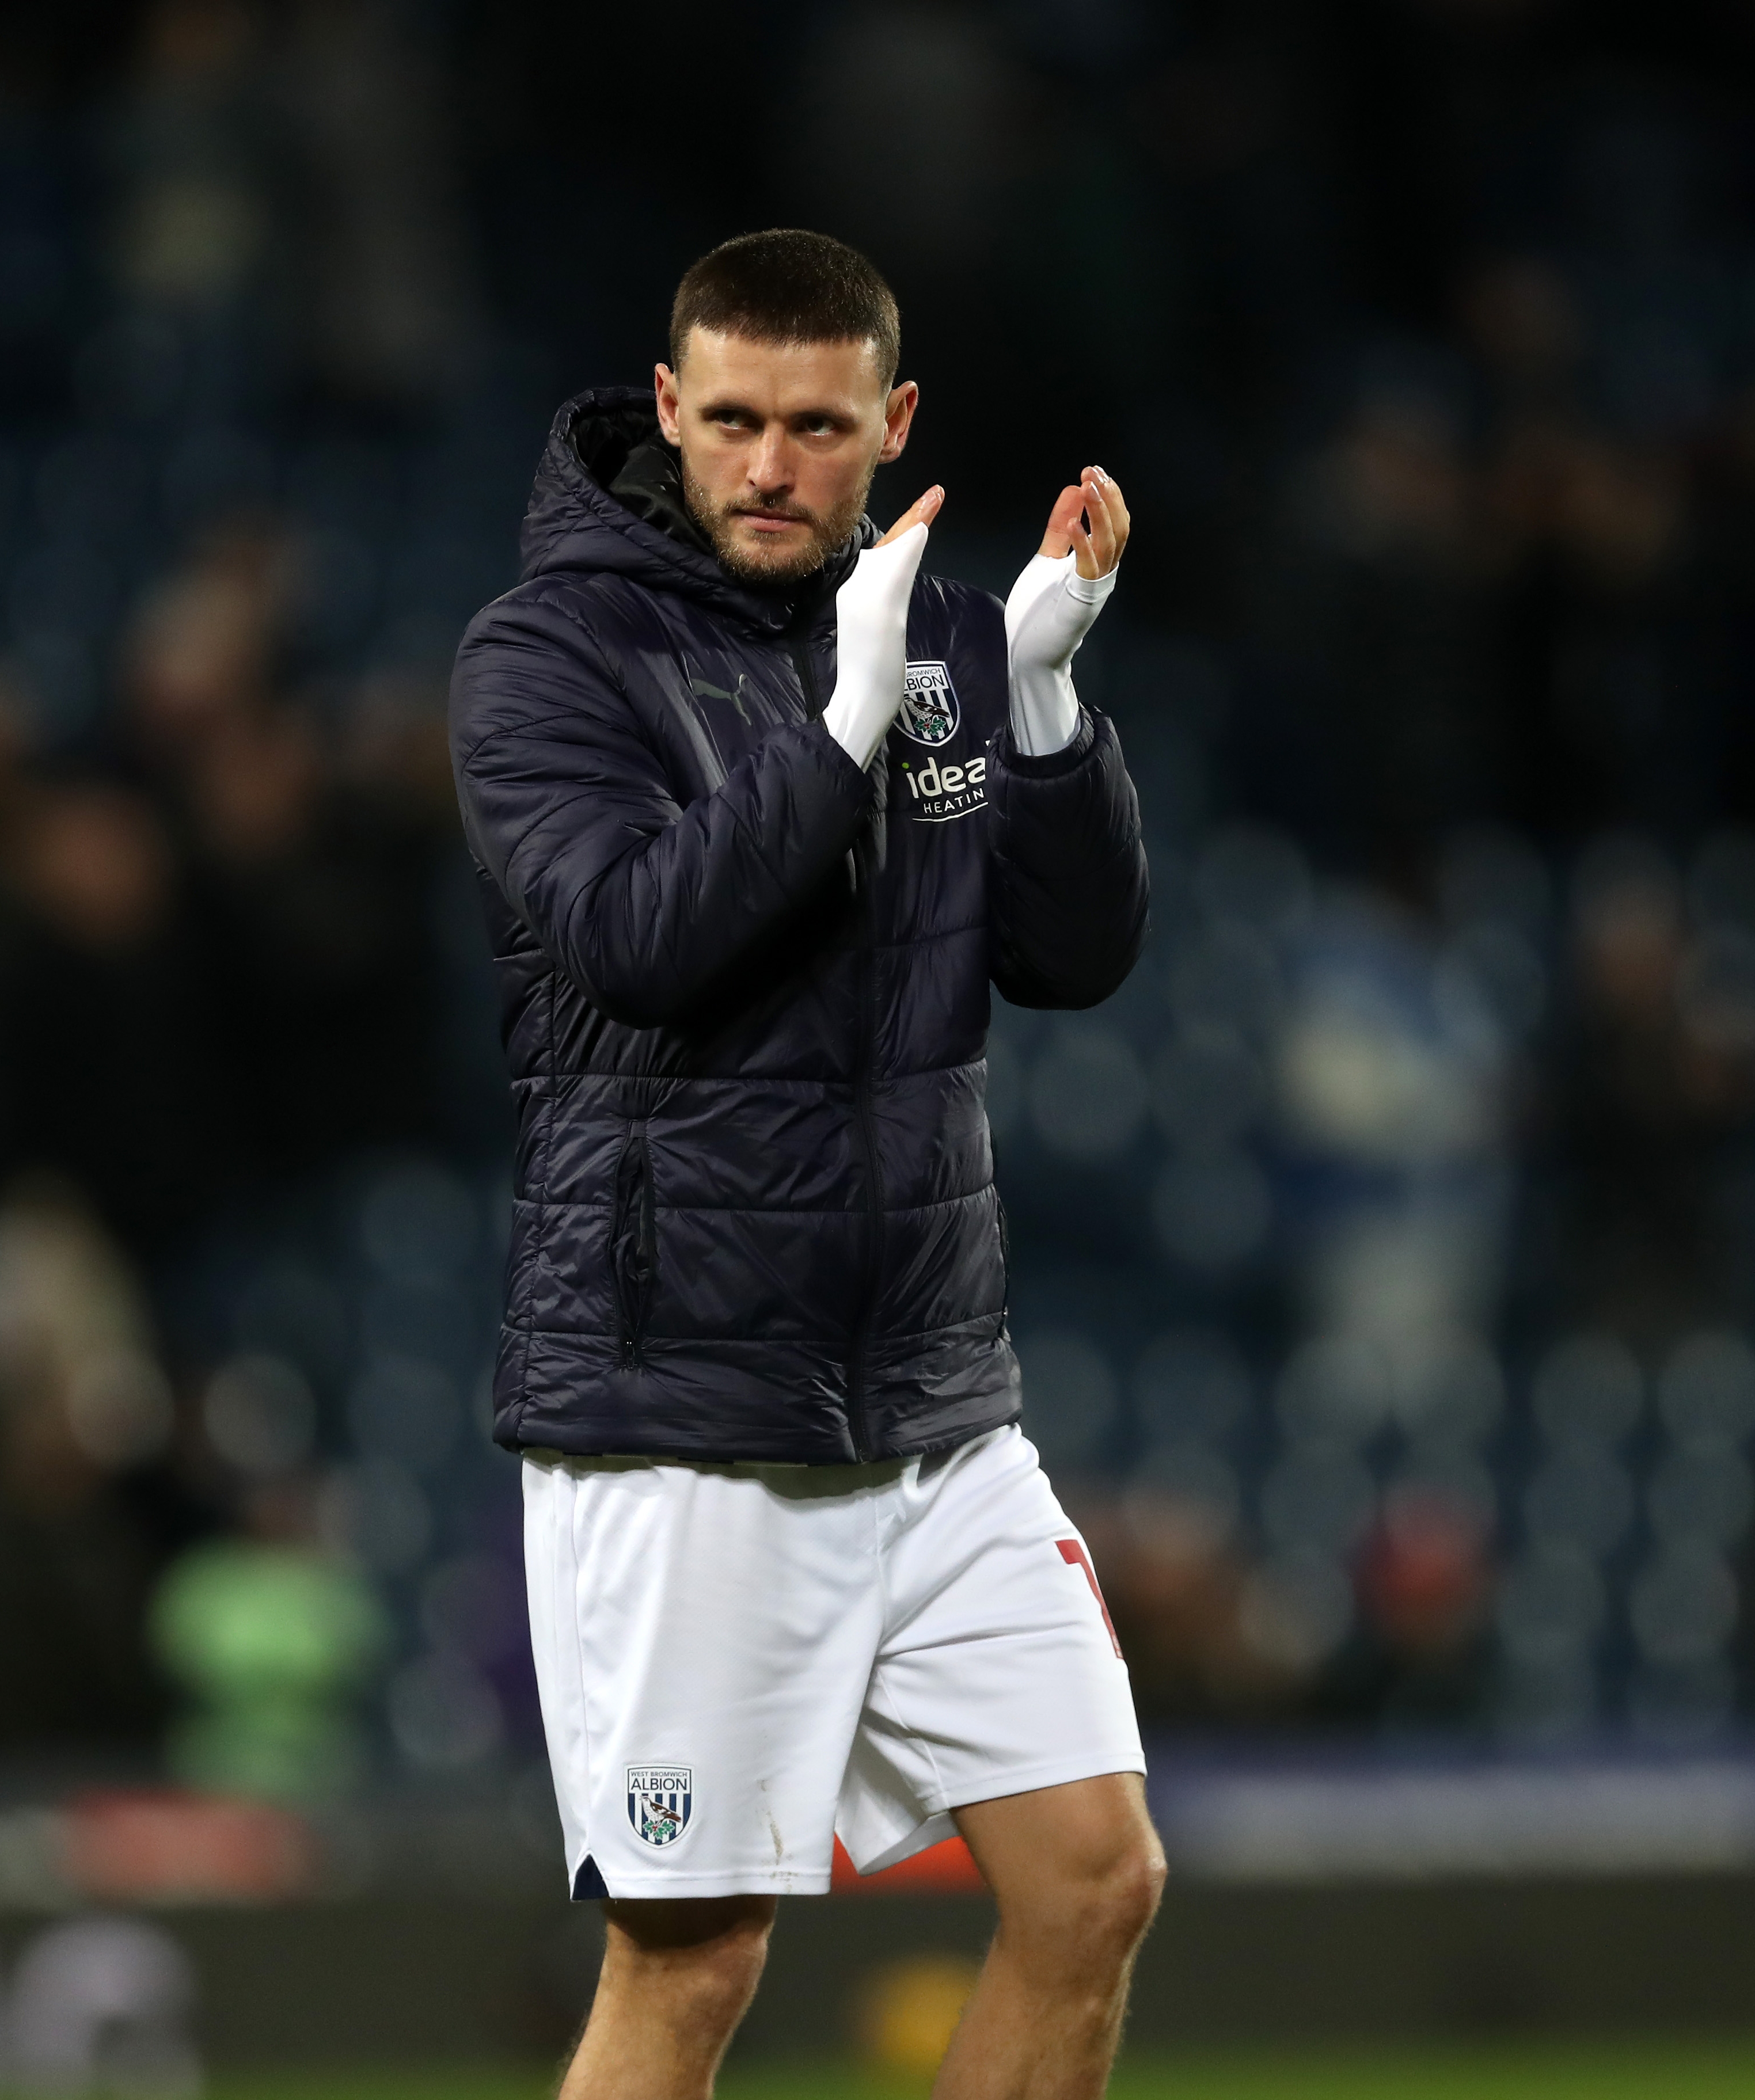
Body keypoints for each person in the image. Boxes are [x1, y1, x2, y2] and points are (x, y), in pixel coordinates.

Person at [450, 230, 1160, 2099]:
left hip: (931, 1396)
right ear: (671, 410)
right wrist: (843, 735)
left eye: (819, 426)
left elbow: (1072, 958)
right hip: (687, 1407)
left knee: (1093, 1884)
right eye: (738, 420)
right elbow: (638, 944)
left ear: (891, 422)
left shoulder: (930, 625)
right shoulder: (548, 656)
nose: (772, 466)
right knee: (690, 1970)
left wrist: (1041, 702)